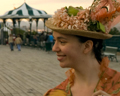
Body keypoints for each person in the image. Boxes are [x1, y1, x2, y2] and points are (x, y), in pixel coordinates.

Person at [44, 0, 120, 96]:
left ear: (87, 46)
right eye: (55, 41)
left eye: (62, 42)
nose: (54, 48)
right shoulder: (57, 93)